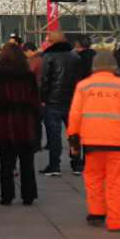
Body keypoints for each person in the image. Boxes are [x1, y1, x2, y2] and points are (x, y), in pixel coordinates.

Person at [67, 47, 120, 233]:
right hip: (119, 141)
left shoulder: (83, 85)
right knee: (117, 182)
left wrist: (73, 138)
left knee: (93, 178)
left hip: (92, 141)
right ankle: (117, 221)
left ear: (94, 67)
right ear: (114, 67)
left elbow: (75, 114)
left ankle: (96, 213)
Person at [0, 42, 40, 207]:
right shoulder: (29, 76)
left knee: (6, 163)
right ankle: (28, 195)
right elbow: (35, 102)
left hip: (4, 124)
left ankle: (7, 195)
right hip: (25, 124)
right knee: (27, 162)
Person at [39, 31, 75, 176]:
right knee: (74, 133)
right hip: (72, 100)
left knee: (54, 135)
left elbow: (45, 80)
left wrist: (42, 98)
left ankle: (54, 166)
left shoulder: (48, 56)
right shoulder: (75, 56)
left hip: (53, 101)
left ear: (51, 42)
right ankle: (77, 164)